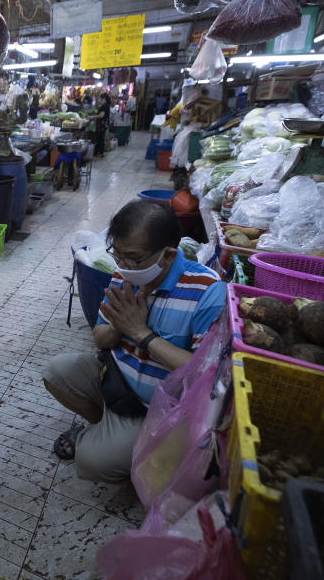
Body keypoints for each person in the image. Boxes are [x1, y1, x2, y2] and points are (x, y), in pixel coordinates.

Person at [42, 201, 225, 483]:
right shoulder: (124, 276)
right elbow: (100, 339)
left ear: (167, 255)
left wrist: (141, 333)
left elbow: (203, 371)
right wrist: (118, 324)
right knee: (57, 371)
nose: (123, 266)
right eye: (118, 255)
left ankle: (128, 443)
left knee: (91, 462)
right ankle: (104, 427)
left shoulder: (207, 290)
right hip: (116, 382)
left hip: (161, 409)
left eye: (132, 258)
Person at [94, 91, 111, 157]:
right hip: (104, 124)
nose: (99, 100)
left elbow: (101, 115)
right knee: (101, 138)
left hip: (102, 124)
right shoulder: (106, 105)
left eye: (100, 98)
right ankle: (100, 152)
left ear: (104, 99)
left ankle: (99, 153)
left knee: (100, 138)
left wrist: (92, 117)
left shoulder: (104, 106)